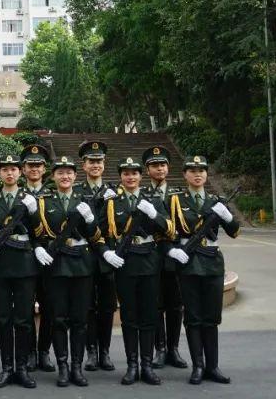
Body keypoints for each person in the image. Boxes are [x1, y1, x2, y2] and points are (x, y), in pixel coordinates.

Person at [166, 155, 241, 385]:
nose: (197, 174)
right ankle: (197, 366)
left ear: (206, 175)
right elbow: (165, 230)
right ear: (185, 174)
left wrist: (228, 216)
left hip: (212, 262)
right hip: (188, 262)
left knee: (211, 317)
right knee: (193, 317)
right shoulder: (175, 200)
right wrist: (172, 250)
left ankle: (212, 366)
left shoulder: (216, 200)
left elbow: (234, 232)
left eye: (201, 170)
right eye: (192, 170)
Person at [101, 156, 172, 386]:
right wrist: (106, 253)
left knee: (149, 315)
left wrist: (153, 214)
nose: (130, 177)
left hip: (150, 262)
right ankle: (132, 365)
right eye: (126, 173)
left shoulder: (152, 199)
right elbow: (102, 232)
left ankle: (147, 365)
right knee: (129, 317)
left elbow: (169, 230)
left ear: (141, 176)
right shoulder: (113, 201)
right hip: (125, 263)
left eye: (134, 173)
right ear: (121, 177)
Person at [33, 155, 102, 387]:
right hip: (57, 263)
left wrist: (91, 219)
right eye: (60, 173)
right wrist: (39, 249)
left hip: (81, 264)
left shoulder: (85, 200)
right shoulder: (45, 201)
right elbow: (39, 233)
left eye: (69, 173)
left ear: (75, 175)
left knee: (80, 319)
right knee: (58, 318)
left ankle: (76, 367)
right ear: (53, 176)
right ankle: (62, 365)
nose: (65, 176)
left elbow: (95, 236)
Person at [0, 151, 41, 389]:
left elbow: (39, 231)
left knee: (24, 319)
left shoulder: (29, 198)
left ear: (20, 172)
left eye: (13, 169)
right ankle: (7, 367)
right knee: (4, 318)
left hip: (24, 264)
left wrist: (34, 212)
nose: (9, 172)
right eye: (5, 169)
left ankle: (22, 367)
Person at [74, 140, 117, 373]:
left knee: (108, 306)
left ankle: (105, 351)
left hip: (108, 256)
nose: (95, 165)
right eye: (91, 161)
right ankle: (91, 351)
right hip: (86, 255)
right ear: (84, 164)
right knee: (88, 305)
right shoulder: (77, 191)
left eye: (99, 161)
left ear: (104, 163)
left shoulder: (114, 191)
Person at [144, 146, 187, 370]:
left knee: (175, 304)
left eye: (162, 165)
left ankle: (174, 349)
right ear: (147, 169)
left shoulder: (177, 195)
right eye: (154, 165)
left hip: (175, 257)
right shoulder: (143, 195)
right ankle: (159, 349)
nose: (159, 168)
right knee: (156, 304)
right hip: (151, 256)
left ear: (168, 168)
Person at [19, 146, 54, 374]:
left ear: (44, 169)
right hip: (23, 258)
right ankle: (30, 352)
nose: (34, 169)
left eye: (38, 165)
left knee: (50, 307)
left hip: (50, 258)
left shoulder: (52, 195)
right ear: (23, 169)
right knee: (25, 308)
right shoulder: (16, 195)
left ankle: (44, 351)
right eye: (30, 165)